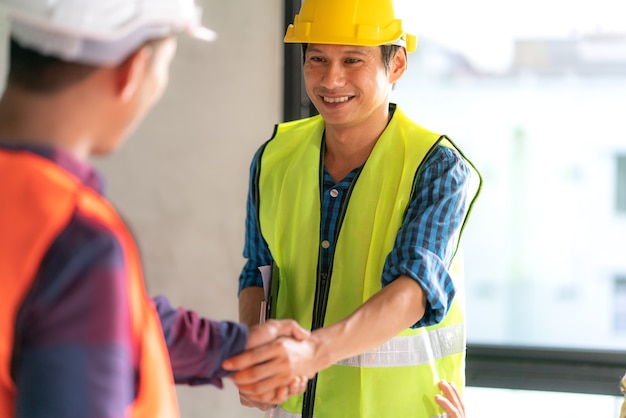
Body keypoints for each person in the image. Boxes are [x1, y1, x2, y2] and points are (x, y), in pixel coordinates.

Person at [0, 0, 310, 416]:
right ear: (131, 72)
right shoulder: (75, 240)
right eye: (163, 66)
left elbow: (108, 320)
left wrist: (233, 346)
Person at [223, 0, 482, 416]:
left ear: (396, 65)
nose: (331, 79)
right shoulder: (273, 158)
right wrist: (255, 358)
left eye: (352, 60)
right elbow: (258, 271)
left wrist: (311, 352)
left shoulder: (436, 168)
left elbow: (413, 290)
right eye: (318, 59)